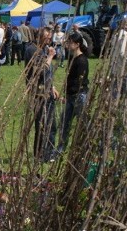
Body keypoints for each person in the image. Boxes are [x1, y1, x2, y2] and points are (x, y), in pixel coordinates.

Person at [24, 27, 59, 162]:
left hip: (47, 91)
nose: (49, 40)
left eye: (50, 38)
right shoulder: (32, 50)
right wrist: (50, 56)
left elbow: (48, 73)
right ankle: (40, 155)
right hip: (38, 94)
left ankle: (48, 154)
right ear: (40, 37)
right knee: (42, 124)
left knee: (52, 124)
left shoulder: (43, 49)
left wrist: (53, 86)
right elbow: (40, 71)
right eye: (47, 37)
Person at [57, 32, 89, 153]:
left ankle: (85, 148)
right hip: (70, 96)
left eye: (70, 42)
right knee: (64, 123)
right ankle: (60, 149)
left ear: (77, 44)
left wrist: (70, 92)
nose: (68, 44)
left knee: (83, 124)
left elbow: (79, 81)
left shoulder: (82, 61)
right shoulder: (72, 58)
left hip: (79, 96)